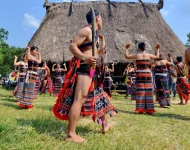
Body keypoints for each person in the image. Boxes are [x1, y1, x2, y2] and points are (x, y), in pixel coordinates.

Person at [53, 9, 117, 143]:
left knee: (99, 97)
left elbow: (96, 51)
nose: (102, 21)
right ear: (97, 18)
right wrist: (84, 58)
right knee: (79, 99)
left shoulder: (94, 34)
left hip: (92, 70)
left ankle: (105, 123)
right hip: (84, 68)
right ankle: (71, 134)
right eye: (101, 18)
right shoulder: (87, 30)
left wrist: (102, 43)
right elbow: (72, 46)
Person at [125, 42, 160, 114]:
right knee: (148, 91)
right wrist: (157, 49)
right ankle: (149, 110)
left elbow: (127, 56)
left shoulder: (137, 55)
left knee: (140, 91)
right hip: (147, 73)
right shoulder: (148, 55)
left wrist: (126, 48)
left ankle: (140, 109)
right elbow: (157, 57)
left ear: (138, 48)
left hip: (139, 74)